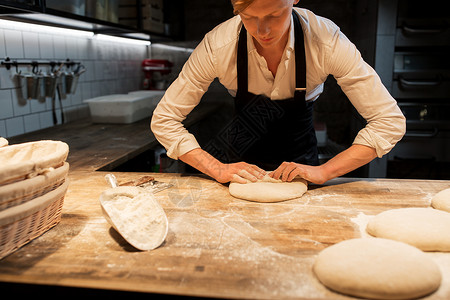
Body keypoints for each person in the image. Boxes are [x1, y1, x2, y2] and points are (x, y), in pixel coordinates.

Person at [151, 0, 406, 185]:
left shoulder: (327, 42)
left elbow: (389, 122)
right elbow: (164, 121)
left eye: (274, 15)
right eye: (248, 17)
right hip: (241, 164)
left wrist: (325, 171)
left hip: (302, 160)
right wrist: (216, 168)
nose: (262, 31)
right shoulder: (218, 46)